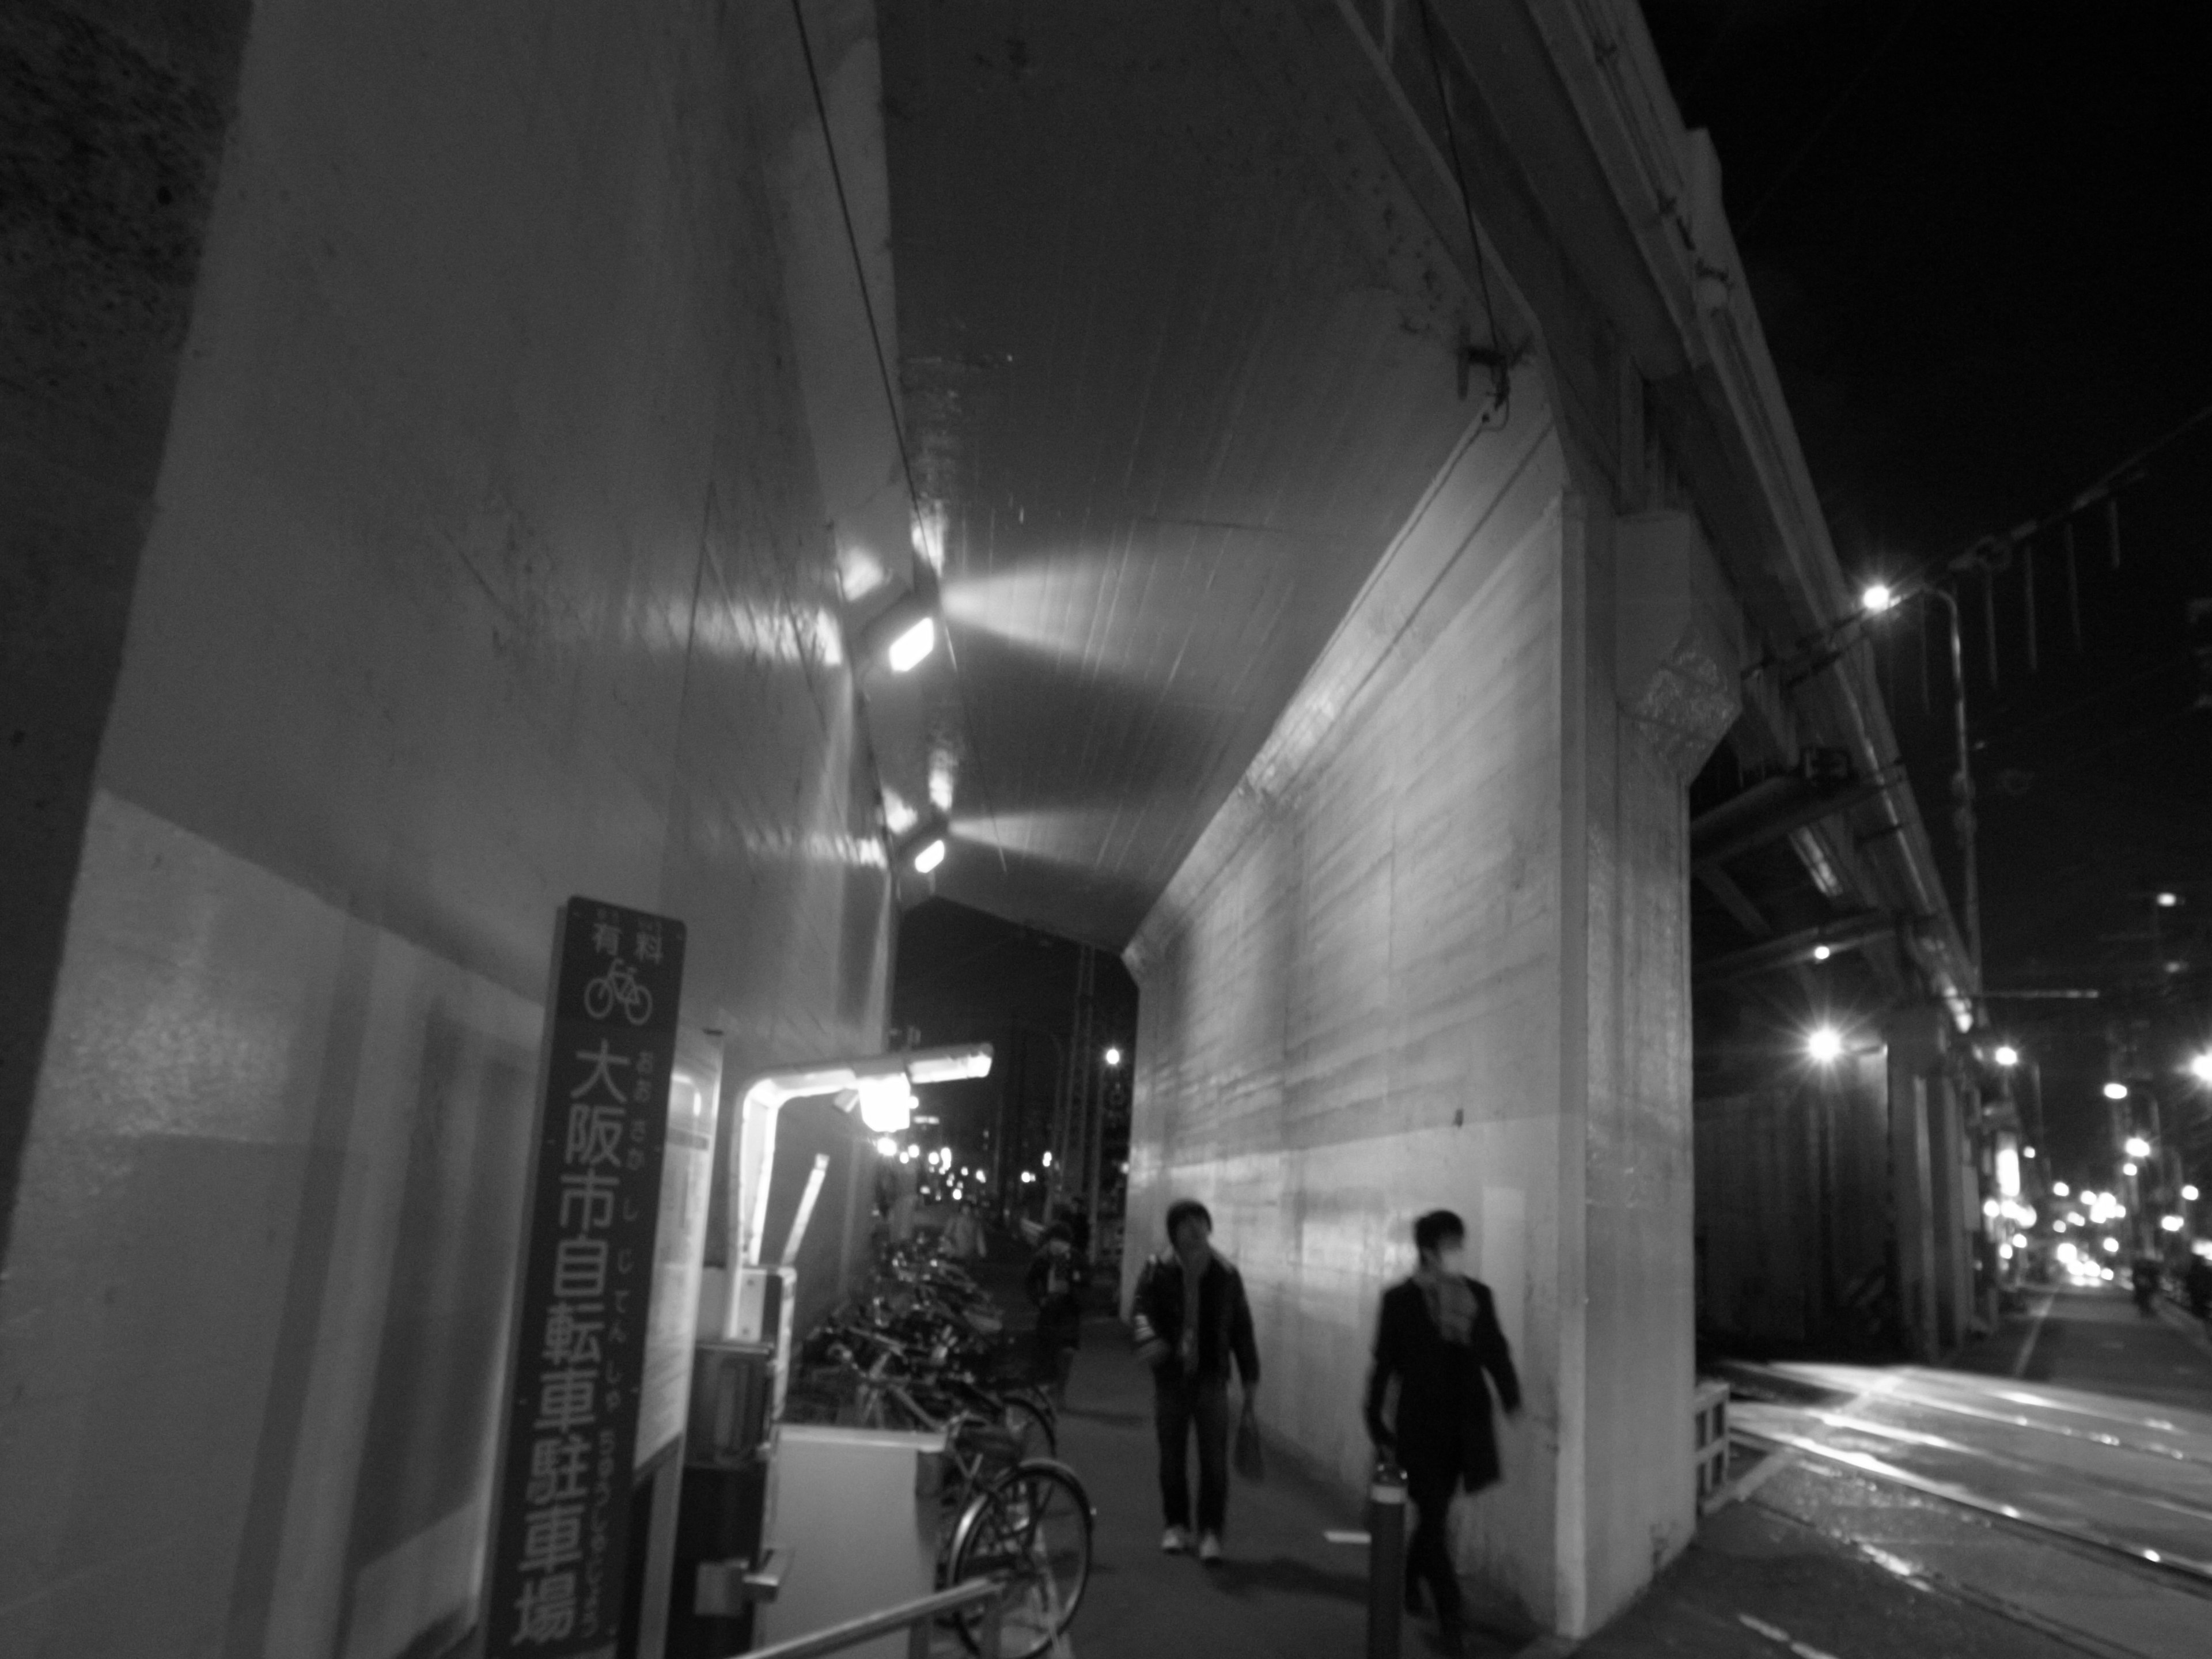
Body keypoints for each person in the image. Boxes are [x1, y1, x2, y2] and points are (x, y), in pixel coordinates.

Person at [1363, 1210, 1521, 1656]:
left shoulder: (1478, 1297)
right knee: (1433, 1519)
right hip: (1419, 1428)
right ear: (1428, 1252)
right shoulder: (1399, 1301)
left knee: (1434, 1516)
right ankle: (1452, 1616)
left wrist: (1510, 1396)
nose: (1458, 1253)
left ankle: (1411, 1577)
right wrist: (1375, 1420)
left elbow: (1495, 1350)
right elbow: (1385, 1365)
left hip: (1465, 1429)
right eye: (1450, 1245)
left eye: (1460, 1244)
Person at [1131, 1199, 1259, 1565]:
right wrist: (1151, 1343)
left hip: (1211, 1378)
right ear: (1175, 1232)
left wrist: (1251, 1376)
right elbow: (1140, 1310)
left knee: (1213, 1462)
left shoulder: (1225, 1274)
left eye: (1201, 1223)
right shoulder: (1157, 1269)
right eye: (1188, 1225)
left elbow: (1242, 1329)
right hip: (1171, 1378)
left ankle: (1211, 1532)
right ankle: (1176, 1525)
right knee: (1171, 1459)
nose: (1197, 1230)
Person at [1026, 1221, 1087, 1404]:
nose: (1058, 1245)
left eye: (1062, 1241)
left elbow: (1086, 1284)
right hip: (1049, 1311)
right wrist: (1040, 1299)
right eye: (1055, 1240)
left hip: (1069, 1311)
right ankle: (1048, 1388)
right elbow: (1030, 1281)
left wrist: (1076, 1293)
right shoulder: (1042, 1258)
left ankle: (1060, 1392)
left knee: (1067, 1352)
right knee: (1048, 1352)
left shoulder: (1077, 1259)